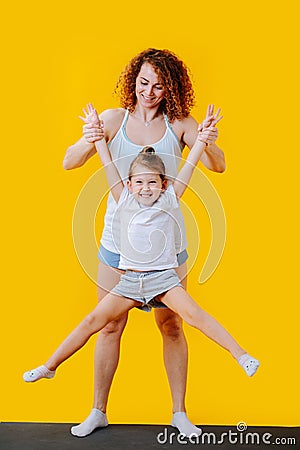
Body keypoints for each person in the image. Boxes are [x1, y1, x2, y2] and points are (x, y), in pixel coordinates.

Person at [23, 112, 260, 437]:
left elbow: (190, 165)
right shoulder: (123, 200)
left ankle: (241, 356)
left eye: (153, 182)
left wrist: (202, 139)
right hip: (130, 282)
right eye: (139, 183)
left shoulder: (171, 199)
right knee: (94, 322)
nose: (146, 188)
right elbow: (107, 166)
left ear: (163, 184)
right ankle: (49, 367)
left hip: (164, 280)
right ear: (130, 184)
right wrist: (97, 139)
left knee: (193, 317)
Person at [61, 48, 225, 438]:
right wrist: (89, 140)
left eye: (159, 85)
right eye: (143, 82)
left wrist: (208, 140)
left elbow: (218, 165)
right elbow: (69, 161)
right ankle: (98, 410)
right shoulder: (114, 119)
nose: (149, 91)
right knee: (110, 325)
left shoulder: (180, 124)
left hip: (167, 248)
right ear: (133, 80)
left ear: (171, 88)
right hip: (116, 246)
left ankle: (179, 414)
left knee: (171, 325)